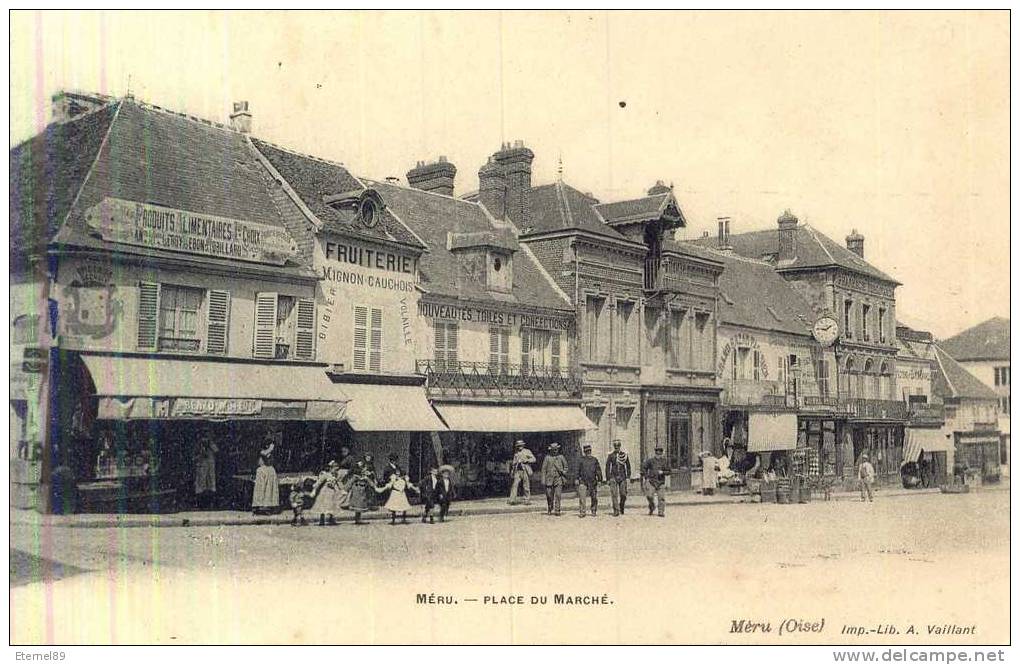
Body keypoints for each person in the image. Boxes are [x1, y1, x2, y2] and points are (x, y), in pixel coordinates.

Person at [310, 460, 342, 526]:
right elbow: (319, 482)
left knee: (332, 505)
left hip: (332, 492)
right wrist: (314, 490)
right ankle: (322, 520)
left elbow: (337, 483)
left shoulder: (335, 476)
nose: (335, 471)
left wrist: (340, 490)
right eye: (334, 469)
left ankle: (331, 519)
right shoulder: (326, 475)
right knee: (323, 505)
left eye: (337, 470)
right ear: (330, 468)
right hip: (325, 492)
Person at [605, 439, 632, 516]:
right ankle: (616, 510)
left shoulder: (624, 455)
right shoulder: (611, 455)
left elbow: (628, 466)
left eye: (618, 446)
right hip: (613, 476)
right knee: (614, 494)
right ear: (614, 447)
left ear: (620, 446)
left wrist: (628, 476)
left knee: (623, 494)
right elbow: (607, 467)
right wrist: (608, 478)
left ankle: (621, 506)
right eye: (615, 446)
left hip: (622, 477)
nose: (616, 447)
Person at [575, 444, 603, 517]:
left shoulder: (594, 460)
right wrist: (576, 478)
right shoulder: (581, 460)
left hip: (593, 481)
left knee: (594, 497)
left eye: (589, 451)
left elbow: (598, 470)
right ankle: (582, 512)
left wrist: (600, 480)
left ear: (591, 451)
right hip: (583, 481)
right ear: (584, 452)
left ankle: (593, 510)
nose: (588, 452)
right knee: (582, 497)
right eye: (586, 451)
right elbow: (577, 470)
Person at [540, 442, 568, 516]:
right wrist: (543, 480)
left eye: (556, 449)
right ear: (551, 450)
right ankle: (550, 506)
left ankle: (557, 510)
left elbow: (566, 467)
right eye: (554, 450)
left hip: (558, 478)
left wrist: (563, 472)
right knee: (549, 495)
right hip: (549, 479)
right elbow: (543, 469)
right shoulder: (547, 458)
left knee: (558, 495)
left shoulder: (561, 457)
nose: (555, 451)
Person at [251, 441, 279, 515]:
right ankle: (259, 506)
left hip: (270, 470)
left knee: (269, 489)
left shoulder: (271, 450)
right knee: (261, 489)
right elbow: (264, 454)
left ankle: (268, 506)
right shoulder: (261, 450)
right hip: (262, 470)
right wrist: (270, 448)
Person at [642, 446, 669, 517]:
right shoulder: (650, 461)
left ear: (662, 453)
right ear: (655, 453)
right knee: (649, 496)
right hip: (652, 481)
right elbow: (644, 467)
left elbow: (669, 471)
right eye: (657, 453)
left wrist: (663, 472)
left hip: (661, 482)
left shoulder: (664, 461)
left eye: (660, 453)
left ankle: (661, 512)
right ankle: (652, 506)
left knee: (661, 498)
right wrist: (646, 476)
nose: (658, 455)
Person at [343, 461, 373, 525]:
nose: (364, 469)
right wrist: (346, 490)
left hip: (362, 492)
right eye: (363, 468)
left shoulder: (365, 477)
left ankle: (358, 519)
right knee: (357, 504)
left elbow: (370, 483)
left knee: (360, 505)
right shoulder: (355, 477)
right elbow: (350, 483)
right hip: (356, 492)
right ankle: (357, 519)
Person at [192, 436, 218, 510]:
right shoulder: (198, 446)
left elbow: (216, 451)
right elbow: (193, 457)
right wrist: (200, 455)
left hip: (210, 470)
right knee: (200, 486)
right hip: (201, 469)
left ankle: (211, 504)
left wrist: (210, 444)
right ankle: (199, 504)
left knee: (211, 486)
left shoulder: (211, 445)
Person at [508, 440, 537, 505]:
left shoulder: (527, 451)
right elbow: (513, 463)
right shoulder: (516, 453)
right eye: (518, 446)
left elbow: (534, 459)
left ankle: (527, 499)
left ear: (523, 445)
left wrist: (526, 460)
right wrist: (513, 469)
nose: (519, 447)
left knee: (526, 485)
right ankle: (512, 499)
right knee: (515, 485)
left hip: (525, 470)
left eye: (521, 445)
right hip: (517, 471)